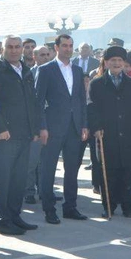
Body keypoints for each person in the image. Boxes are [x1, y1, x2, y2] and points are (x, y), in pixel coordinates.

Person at [0, 35, 40, 236]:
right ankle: (3, 220)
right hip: (5, 135)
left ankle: (15, 216)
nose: (15, 50)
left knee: (19, 178)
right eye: (10, 47)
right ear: (3, 49)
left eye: (18, 47)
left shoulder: (26, 70)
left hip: (25, 134)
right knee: (4, 179)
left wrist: (35, 129)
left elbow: (32, 102)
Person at [88, 46, 131, 217]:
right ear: (106, 63)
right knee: (109, 172)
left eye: (119, 61)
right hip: (106, 134)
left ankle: (127, 206)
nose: (116, 63)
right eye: (112, 60)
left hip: (129, 134)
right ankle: (109, 206)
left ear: (124, 63)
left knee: (127, 173)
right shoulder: (97, 84)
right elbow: (92, 108)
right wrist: (96, 127)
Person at [36, 34, 89, 224]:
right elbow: (38, 101)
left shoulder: (77, 70)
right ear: (56, 48)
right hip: (52, 128)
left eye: (70, 45)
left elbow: (81, 100)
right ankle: (49, 209)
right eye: (64, 45)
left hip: (74, 128)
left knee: (72, 169)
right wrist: (42, 127)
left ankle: (70, 207)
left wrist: (84, 124)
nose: (68, 48)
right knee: (48, 169)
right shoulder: (46, 70)